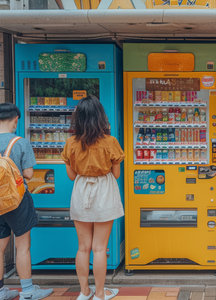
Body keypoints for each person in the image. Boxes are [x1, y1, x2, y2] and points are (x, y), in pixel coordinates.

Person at [61, 96, 124, 300]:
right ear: (100, 117)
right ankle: (99, 294)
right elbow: (116, 174)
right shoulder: (110, 142)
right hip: (104, 190)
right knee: (99, 248)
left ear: (77, 118)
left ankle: (84, 292)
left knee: (83, 247)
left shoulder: (70, 143)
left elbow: (71, 176)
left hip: (81, 191)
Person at [0, 103, 53, 300]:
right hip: (17, 200)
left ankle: (1, 291)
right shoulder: (20, 142)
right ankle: (28, 291)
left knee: (0, 246)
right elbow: (29, 173)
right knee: (23, 246)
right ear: (16, 119)